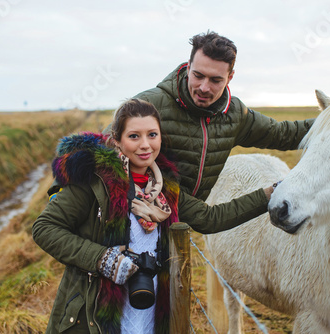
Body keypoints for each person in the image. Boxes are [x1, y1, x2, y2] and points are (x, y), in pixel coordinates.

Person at [32, 99, 277, 334]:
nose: (145, 145)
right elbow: (45, 228)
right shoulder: (94, 181)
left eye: (152, 134)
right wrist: (102, 260)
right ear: (117, 140)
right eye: (134, 136)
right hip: (95, 312)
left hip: (150, 309)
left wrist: (269, 194)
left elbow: (210, 218)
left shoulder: (165, 189)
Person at [104, 30, 314, 203]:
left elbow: (282, 134)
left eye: (215, 80)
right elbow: (100, 149)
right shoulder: (150, 105)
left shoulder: (234, 114)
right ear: (188, 66)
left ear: (230, 77)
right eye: (198, 75)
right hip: (140, 215)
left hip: (187, 218)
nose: (204, 87)